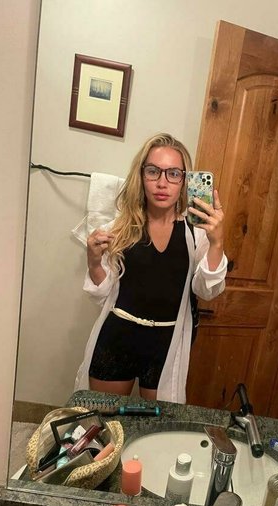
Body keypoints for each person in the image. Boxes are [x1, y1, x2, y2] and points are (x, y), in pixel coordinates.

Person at [74, 133, 227, 403]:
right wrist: (93, 260)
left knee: (160, 426)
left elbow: (207, 290)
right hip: (117, 338)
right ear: (141, 174)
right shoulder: (119, 229)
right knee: (102, 419)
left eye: (173, 174)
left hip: (167, 346)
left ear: (185, 181)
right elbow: (101, 295)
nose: (162, 183)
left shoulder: (197, 234)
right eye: (153, 171)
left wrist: (217, 243)